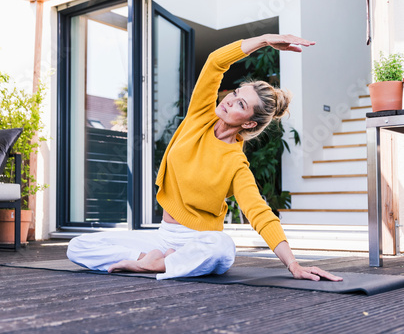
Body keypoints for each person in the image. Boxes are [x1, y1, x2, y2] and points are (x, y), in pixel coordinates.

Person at [67, 34, 343, 282]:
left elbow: (260, 213)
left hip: (198, 239)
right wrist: (264, 39)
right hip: (162, 235)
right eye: (235, 94)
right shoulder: (200, 116)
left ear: (248, 123)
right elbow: (214, 63)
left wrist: (293, 264)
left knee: (222, 248)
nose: (229, 100)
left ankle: (159, 264)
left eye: (240, 104)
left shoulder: (236, 164)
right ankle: (150, 261)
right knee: (77, 246)